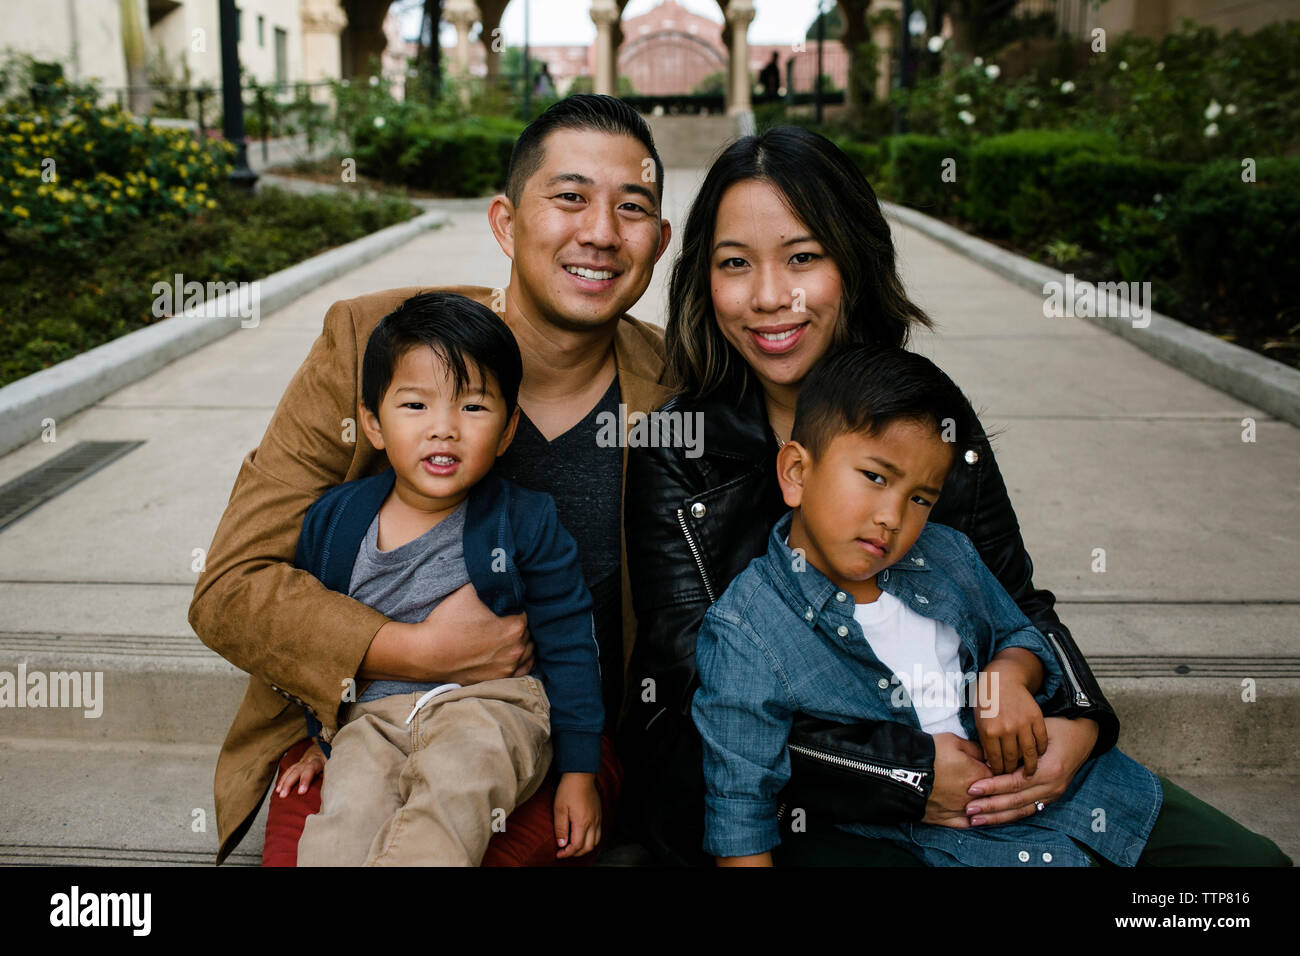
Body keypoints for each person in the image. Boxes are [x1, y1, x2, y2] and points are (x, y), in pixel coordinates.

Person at [189, 94, 674, 865]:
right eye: (571, 197)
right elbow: (232, 590)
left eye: (633, 208)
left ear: (659, 241)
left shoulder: (681, 391)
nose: (602, 233)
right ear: (506, 223)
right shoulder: (374, 343)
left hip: (542, 739)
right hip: (358, 723)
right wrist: (419, 651)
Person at [621, 125, 1120, 867]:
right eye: (735, 264)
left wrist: (1078, 720)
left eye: (802, 258)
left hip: (983, 774)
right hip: (796, 810)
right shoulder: (678, 446)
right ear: (704, 281)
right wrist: (907, 773)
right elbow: (695, 700)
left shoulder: (925, 411)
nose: (768, 298)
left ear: (852, 262)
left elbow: (1014, 600)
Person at [692, 345, 1290, 866]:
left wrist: (1007, 675)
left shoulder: (946, 555)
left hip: (1068, 788)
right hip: (929, 831)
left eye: (921, 497)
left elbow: (1025, 632)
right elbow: (740, 803)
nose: (893, 518)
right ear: (796, 471)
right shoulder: (748, 628)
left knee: (1255, 863)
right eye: (875, 477)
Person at [271, 292, 604, 865]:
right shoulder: (335, 520)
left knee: (455, 791)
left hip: (491, 707)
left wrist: (579, 770)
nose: (444, 429)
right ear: (373, 423)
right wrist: (320, 735)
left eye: (473, 408)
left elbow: (572, 644)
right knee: (342, 824)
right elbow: (313, 642)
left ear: (506, 431)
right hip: (371, 721)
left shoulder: (524, 520)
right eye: (415, 406)